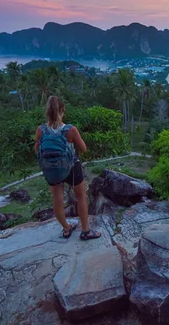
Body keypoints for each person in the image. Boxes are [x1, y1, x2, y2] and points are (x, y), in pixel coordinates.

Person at [34, 96, 101, 240]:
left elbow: (37, 151)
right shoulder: (70, 130)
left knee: (57, 199)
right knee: (81, 197)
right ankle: (85, 231)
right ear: (63, 110)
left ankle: (66, 229)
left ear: (47, 112)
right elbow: (83, 149)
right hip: (71, 168)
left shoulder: (41, 130)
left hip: (51, 171)